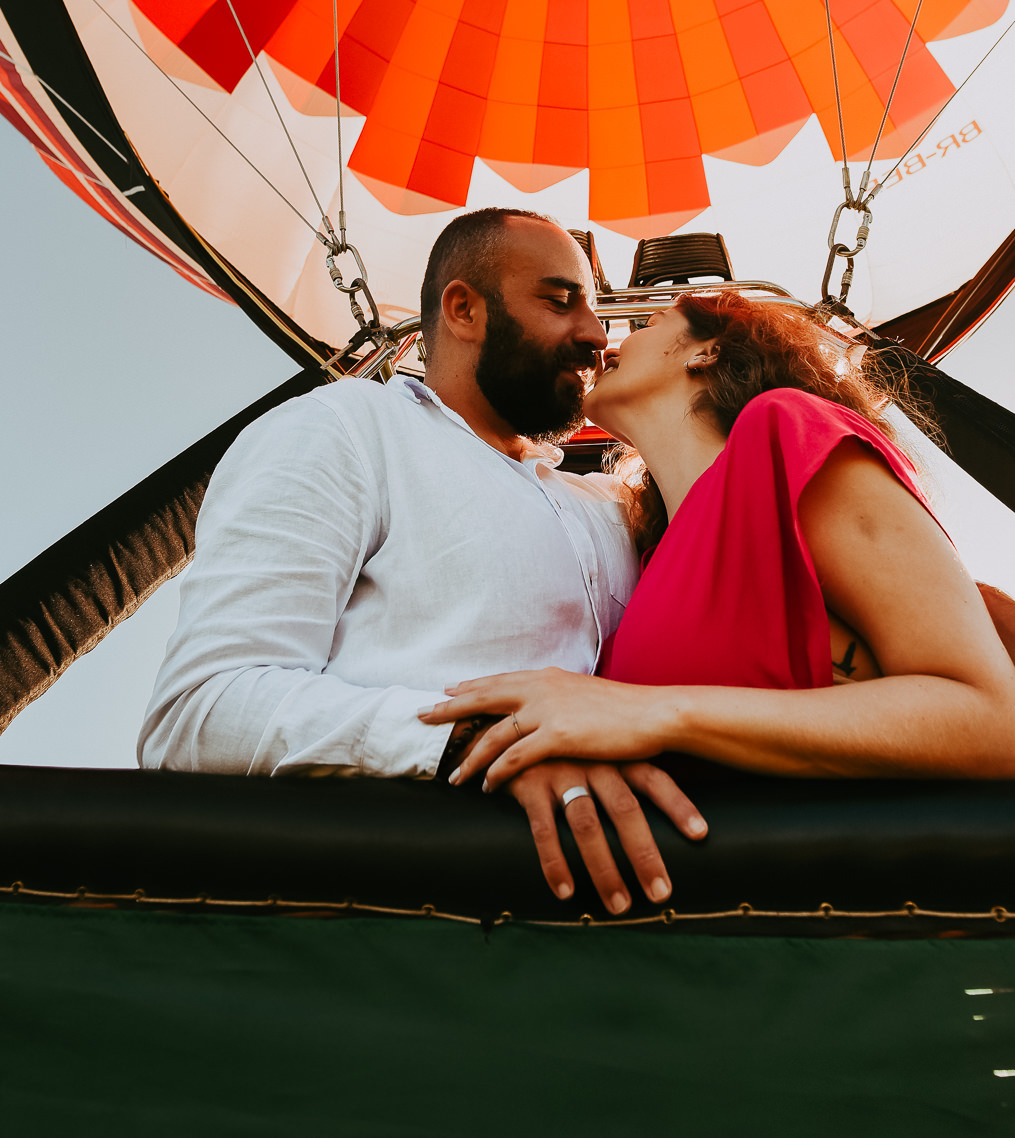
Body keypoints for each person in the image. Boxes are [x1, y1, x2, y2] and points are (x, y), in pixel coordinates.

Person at [139, 208, 709, 917]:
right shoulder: (347, 428)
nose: (597, 334)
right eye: (561, 302)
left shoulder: (606, 509)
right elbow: (200, 716)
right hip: (399, 914)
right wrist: (485, 743)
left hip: (631, 922)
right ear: (463, 309)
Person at [418, 291, 1015, 789]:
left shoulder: (784, 438)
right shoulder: (647, 556)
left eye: (648, 323)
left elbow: (992, 726)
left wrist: (651, 713)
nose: (609, 340)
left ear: (705, 351)